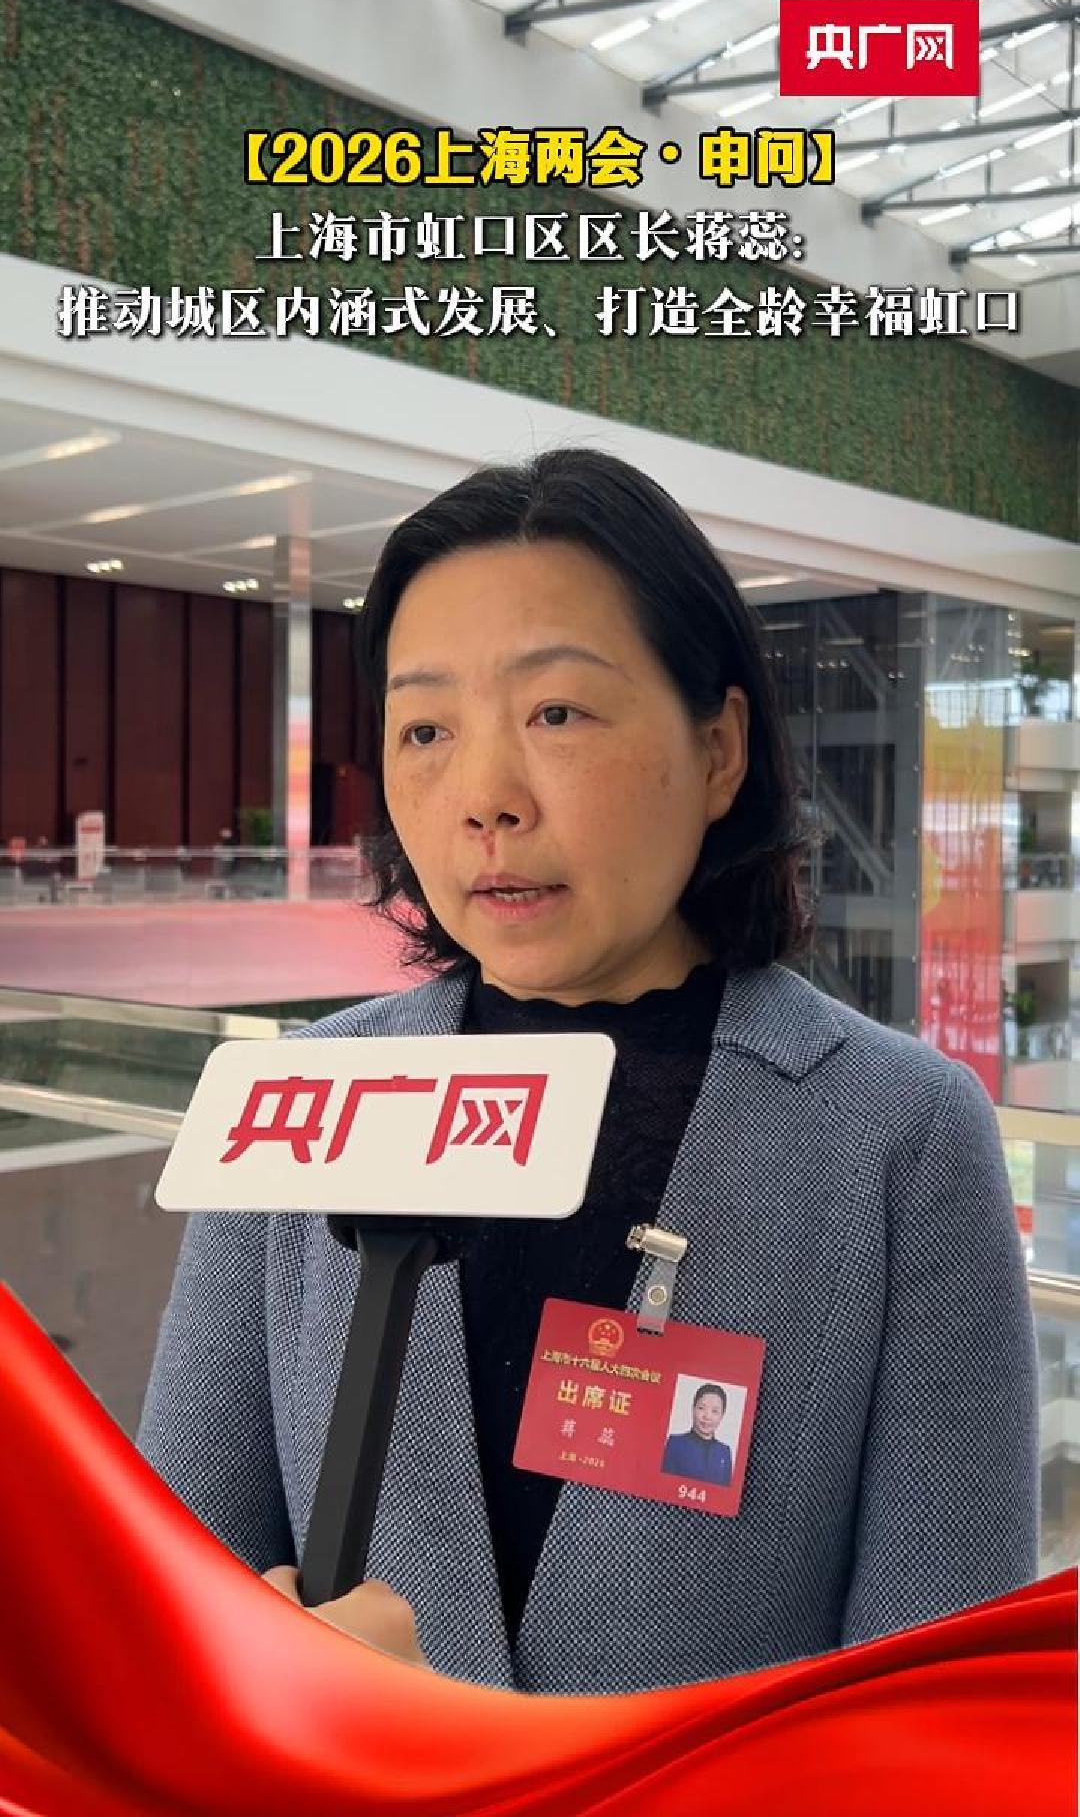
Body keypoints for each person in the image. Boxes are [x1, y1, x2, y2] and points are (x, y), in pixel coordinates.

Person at [138, 446, 1038, 1695]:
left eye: (556, 713)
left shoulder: (900, 1134)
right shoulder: (301, 1102)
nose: (485, 799)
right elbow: (169, 1601)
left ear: (719, 749)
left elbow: (937, 1702)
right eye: (425, 728)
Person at [661, 1385, 732, 1486]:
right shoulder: (675, 1443)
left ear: (722, 1415)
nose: (707, 1416)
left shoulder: (724, 1451)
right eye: (701, 1408)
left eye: (715, 1411)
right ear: (693, 1409)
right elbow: (664, 1485)